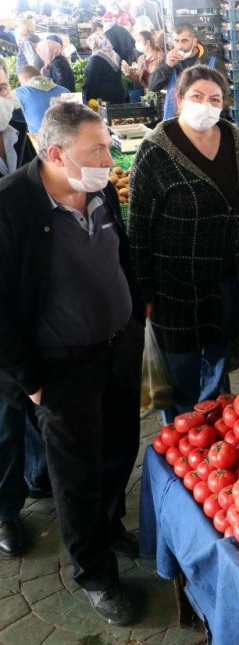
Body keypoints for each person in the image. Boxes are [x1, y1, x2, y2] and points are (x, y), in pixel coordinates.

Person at [0, 100, 146, 624]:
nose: (110, 159)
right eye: (99, 149)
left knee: (118, 448)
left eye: (108, 147)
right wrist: (32, 382)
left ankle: (109, 527)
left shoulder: (99, 186)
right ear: (56, 154)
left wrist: (133, 312)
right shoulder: (12, 205)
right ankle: (95, 574)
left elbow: (119, 252)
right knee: (75, 474)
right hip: (60, 368)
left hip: (117, 348)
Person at [128, 65, 239, 422]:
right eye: (197, 97)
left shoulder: (234, 139)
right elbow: (139, 229)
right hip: (175, 285)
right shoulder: (155, 150)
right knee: (181, 368)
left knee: (219, 352)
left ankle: (215, 423)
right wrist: (142, 292)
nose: (206, 105)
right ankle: (182, 434)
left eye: (215, 99)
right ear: (179, 99)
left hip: (226, 277)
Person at [0, 62, 47, 560]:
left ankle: (38, 479)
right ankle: (5, 511)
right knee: (5, 417)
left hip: (28, 284)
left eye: (3, 85)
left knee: (33, 403)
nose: (6, 94)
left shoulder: (17, 135)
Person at [148, 24, 227, 120]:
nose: (179, 46)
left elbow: (224, 96)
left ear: (194, 42)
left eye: (184, 41)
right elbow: (152, 86)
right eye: (176, 41)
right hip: (174, 120)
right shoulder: (168, 60)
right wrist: (167, 66)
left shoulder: (213, 63)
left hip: (203, 120)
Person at [14, 66, 69, 133]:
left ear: (24, 78)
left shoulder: (19, 93)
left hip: (38, 140)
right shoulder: (65, 90)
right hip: (65, 137)